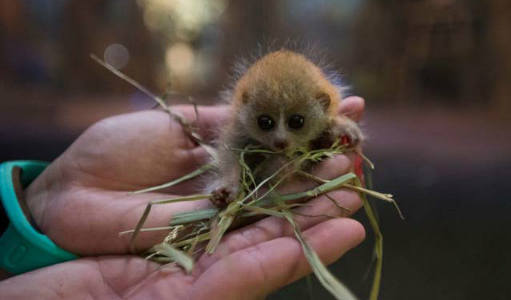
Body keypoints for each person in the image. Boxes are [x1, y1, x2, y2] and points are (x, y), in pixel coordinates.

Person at [0, 97, 366, 300]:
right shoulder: (237, 134)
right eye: (267, 122)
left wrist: (39, 203)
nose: (283, 139)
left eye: (298, 123)